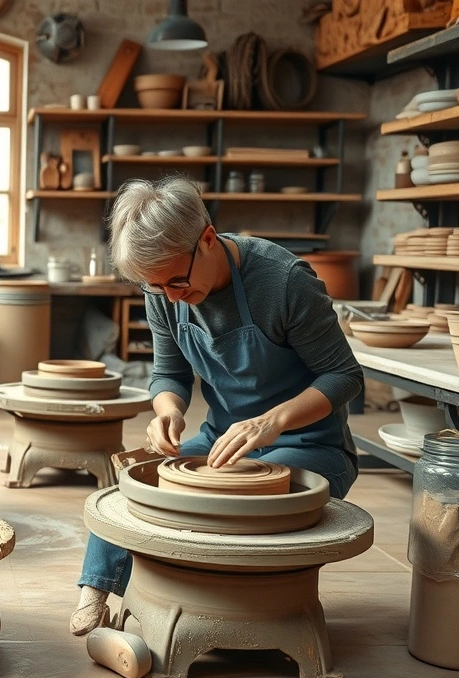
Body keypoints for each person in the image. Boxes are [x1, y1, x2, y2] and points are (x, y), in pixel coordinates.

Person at [70, 177, 363, 635]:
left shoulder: (284, 281)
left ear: (207, 239)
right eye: (155, 286)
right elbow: (169, 373)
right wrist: (167, 410)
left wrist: (272, 422)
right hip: (224, 438)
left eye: (176, 281)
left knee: (228, 506)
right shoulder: (163, 289)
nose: (169, 296)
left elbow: (344, 376)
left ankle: (216, 612)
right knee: (136, 487)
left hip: (310, 442)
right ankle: (97, 590)